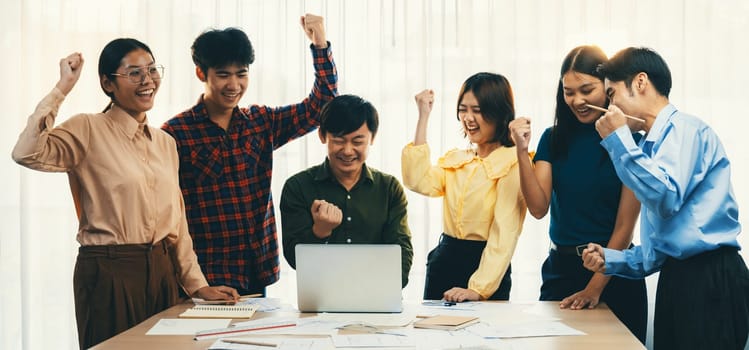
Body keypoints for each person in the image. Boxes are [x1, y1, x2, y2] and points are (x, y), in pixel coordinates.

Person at [11, 39, 238, 349]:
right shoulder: (88, 128)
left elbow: (177, 226)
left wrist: (198, 285)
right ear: (108, 83)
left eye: (151, 70)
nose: (147, 81)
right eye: (134, 73)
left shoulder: (164, 143)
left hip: (161, 271)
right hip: (110, 272)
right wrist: (62, 88)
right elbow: (26, 153)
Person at [582, 47, 749, 350]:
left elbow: (665, 197)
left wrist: (617, 140)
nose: (610, 105)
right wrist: (612, 258)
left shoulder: (685, 130)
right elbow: (659, 253)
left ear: (641, 82)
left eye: (612, 93)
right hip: (679, 279)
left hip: (710, 278)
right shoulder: (647, 148)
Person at [162, 14, 338, 296]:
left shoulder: (260, 122)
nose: (234, 85)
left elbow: (322, 107)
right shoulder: (175, 133)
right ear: (201, 73)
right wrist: (192, 282)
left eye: (241, 74)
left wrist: (319, 43)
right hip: (206, 277)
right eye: (223, 75)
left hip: (257, 271)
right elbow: (166, 212)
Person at [507, 45, 647, 343]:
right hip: (561, 272)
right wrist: (521, 151)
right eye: (569, 92)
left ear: (608, 89)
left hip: (615, 273)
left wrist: (594, 288)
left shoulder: (629, 139)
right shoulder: (553, 138)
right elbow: (538, 207)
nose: (578, 100)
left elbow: (624, 227)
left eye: (587, 90)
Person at [402, 73, 527, 302]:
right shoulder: (458, 160)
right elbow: (416, 180)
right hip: (444, 261)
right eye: (463, 109)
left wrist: (478, 289)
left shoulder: (514, 161)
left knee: (482, 336)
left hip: (485, 269)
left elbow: (505, 232)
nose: (468, 118)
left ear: (499, 112)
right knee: (433, 335)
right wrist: (423, 117)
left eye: (477, 110)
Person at [280, 94, 414, 287]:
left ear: (372, 138)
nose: (348, 150)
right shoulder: (298, 186)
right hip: (320, 298)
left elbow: (402, 250)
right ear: (322, 136)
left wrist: (387, 288)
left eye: (358, 141)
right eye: (339, 140)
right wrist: (320, 231)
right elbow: (294, 259)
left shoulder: (389, 188)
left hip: (377, 294)